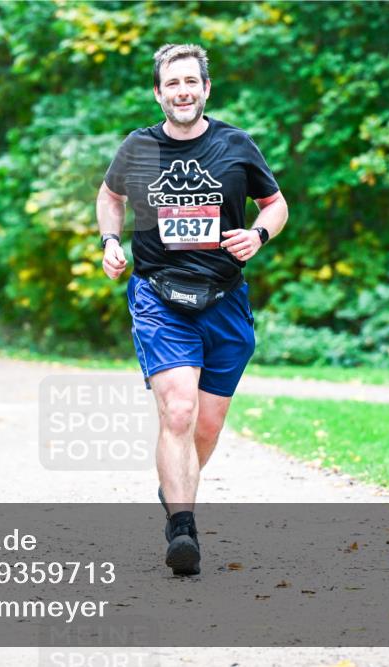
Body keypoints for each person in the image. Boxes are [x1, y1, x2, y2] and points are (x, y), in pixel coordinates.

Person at [97, 44, 289, 575]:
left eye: (191, 82)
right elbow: (109, 197)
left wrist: (257, 235)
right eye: (171, 83)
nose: (182, 91)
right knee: (177, 411)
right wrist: (110, 244)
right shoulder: (138, 147)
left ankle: (174, 485)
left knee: (205, 427)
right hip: (158, 294)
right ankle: (182, 527)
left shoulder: (234, 144)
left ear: (205, 89)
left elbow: (276, 204)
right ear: (158, 93)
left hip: (225, 299)